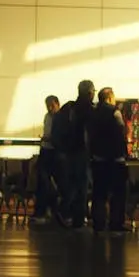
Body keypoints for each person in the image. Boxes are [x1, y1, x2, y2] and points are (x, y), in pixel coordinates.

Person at [53, 80, 96, 229]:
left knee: (70, 185)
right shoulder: (90, 110)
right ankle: (76, 217)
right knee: (81, 186)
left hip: (66, 153)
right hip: (81, 153)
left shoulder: (68, 108)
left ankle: (64, 210)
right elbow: (91, 134)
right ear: (90, 93)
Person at [87, 87, 129, 235]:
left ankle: (98, 223)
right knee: (118, 193)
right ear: (110, 97)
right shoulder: (114, 112)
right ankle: (116, 223)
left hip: (98, 158)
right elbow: (121, 132)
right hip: (116, 158)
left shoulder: (93, 113)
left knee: (99, 193)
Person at [34, 95, 60, 223]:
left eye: (52, 105)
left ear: (57, 104)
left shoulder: (60, 118)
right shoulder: (47, 116)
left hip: (54, 151)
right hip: (46, 150)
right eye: (48, 106)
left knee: (50, 182)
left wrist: (48, 138)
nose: (49, 108)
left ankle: (51, 210)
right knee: (43, 181)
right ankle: (43, 210)